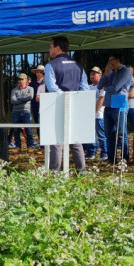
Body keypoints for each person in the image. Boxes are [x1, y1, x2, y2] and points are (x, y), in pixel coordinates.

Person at [44, 36, 89, 173]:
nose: (49, 50)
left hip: (55, 106)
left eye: (51, 47)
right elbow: (84, 88)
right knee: (76, 141)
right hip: (75, 108)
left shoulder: (50, 66)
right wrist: (73, 99)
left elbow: (52, 88)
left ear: (57, 48)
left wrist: (64, 98)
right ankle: (82, 173)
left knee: (56, 142)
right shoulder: (78, 66)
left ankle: (55, 176)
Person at [98, 52, 132, 164]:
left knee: (121, 133)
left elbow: (117, 88)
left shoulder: (125, 71)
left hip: (119, 103)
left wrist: (106, 88)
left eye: (110, 60)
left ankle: (124, 158)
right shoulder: (110, 73)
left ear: (117, 60)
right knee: (109, 134)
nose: (109, 63)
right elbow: (99, 86)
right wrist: (106, 74)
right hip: (108, 104)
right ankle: (111, 159)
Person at [83, 67, 108, 160]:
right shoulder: (87, 87)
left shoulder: (102, 87)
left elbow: (101, 101)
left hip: (99, 115)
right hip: (88, 115)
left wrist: (94, 112)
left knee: (101, 135)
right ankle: (91, 152)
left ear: (100, 76)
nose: (92, 76)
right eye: (91, 74)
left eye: (94, 74)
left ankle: (104, 153)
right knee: (90, 134)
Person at [10, 73, 36, 150]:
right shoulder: (14, 90)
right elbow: (12, 100)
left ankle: (30, 146)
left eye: (22, 79)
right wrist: (24, 98)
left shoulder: (30, 89)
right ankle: (18, 146)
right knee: (16, 130)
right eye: (19, 79)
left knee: (28, 130)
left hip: (26, 112)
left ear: (26, 80)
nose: (20, 81)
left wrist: (18, 98)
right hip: (16, 112)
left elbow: (30, 97)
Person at [30, 64, 46, 139]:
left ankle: (45, 144)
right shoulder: (32, 84)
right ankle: (41, 144)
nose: (38, 74)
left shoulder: (47, 84)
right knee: (38, 124)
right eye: (37, 72)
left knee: (45, 124)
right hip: (35, 106)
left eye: (40, 72)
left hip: (46, 107)